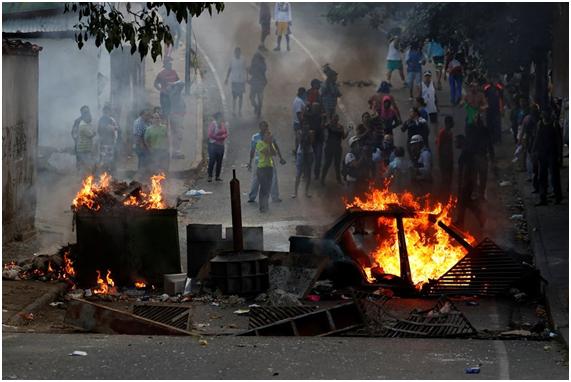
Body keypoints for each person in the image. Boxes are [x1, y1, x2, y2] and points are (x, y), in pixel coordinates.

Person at [247, 121, 286, 203]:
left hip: (268, 161)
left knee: (273, 178)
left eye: (266, 127)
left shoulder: (269, 136)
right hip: (260, 161)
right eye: (263, 126)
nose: (265, 128)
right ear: (260, 127)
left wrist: (281, 157)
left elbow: (275, 146)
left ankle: (274, 197)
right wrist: (250, 162)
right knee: (256, 179)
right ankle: (252, 196)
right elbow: (252, 150)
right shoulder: (256, 137)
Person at [454, 134, 485, 228]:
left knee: (464, 202)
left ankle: (462, 221)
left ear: (461, 142)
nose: (455, 143)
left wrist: (463, 184)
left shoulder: (465, 154)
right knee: (465, 202)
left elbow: (466, 170)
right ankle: (462, 220)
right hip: (467, 182)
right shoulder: (466, 152)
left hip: (466, 183)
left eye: (456, 141)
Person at [532, 111, 563, 205]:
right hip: (543, 153)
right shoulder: (540, 124)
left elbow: (559, 141)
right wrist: (534, 150)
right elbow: (537, 138)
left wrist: (559, 155)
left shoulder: (554, 124)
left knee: (554, 176)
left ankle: (557, 197)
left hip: (552, 153)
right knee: (542, 176)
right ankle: (543, 198)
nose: (544, 115)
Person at [469, 113, 495, 200]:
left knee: (475, 176)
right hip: (481, 156)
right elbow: (490, 144)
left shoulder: (473, 129)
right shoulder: (484, 129)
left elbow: (470, 143)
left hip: (476, 156)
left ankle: (477, 193)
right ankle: (481, 194)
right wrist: (492, 156)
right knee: (482, 177)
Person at [321, 114, 348, 185]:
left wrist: (348, 131)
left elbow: (343, 137)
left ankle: (338, 179)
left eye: (336, 118)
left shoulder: (340, 127)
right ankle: (322, 179)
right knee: (327, 163)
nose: (335, 119)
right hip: (330, 147)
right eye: (334, 118)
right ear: (332, 119)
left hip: (337, 148)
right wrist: (323, 120)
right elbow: (323, 126)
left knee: (337, 164)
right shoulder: (329, 125)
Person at [256, 129, 277, 212]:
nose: (268, 137)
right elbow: (266, 152)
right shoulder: (259, 143)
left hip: (269, 167)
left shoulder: (270, 144)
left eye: (269, 135)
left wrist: (271, 143)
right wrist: (269, 144)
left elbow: (274, 153)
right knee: (263, 187)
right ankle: (262, 206)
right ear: (263, 136)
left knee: (268, 187)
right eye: (267, 135)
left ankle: (266, 205)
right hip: (261, 168)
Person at [292, 124, 315, 198]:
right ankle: (296, 192)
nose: (306, 129)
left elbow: (311, 142)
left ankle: (305, 192)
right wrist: (304, 135)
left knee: (308, 174)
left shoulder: (310, 133)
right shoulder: (299, 133)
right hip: (302, 153)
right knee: (299, 173)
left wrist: (309, 134)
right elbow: (299, 142)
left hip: (308, 153)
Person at [225, 47, 247, 117]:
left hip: (241, 81)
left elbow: (245, 69)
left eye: (238, 52)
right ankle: (234, 111)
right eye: (236, 52)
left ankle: (239, 111)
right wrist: (227, 78)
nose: (237, 53)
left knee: (240, 96)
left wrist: (246, 78)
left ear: (240, 53)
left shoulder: (243, 59)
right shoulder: (232, 60)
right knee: (234, 97)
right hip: (234, 81)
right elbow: (229, 69)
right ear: (235, 53)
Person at [97, 105, 119, 174]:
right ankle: (104, 173)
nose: (108, 112)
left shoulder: (110, 119)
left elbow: (115, 128)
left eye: (109, 110)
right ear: (104, 111)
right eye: (107, 111)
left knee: (110, 158)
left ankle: (108, 173)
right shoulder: (103, 119)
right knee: (105, 158)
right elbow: (110, 128)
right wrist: (115, 127)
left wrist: (114, 127)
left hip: (110, 142)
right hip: (105, 143)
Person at [207, 112, 228, 182]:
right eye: (221, 117)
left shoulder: (222, 124)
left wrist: (223, 137)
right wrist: (219, 138)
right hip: (213, 145)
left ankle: (217, 176)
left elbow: (226, 133)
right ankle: (210, 176)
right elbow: (210, 134)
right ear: (218, 117)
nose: (222, 118)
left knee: (219, 161)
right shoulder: (213, 124)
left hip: (221, 145)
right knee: (212, 160)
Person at [437, 115, 454, 197]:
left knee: (449, 178)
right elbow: (439, 147)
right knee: (445, 178)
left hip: (449, 158)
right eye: (452, 122)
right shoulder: (443, 133)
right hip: (444, 159)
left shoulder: (450, 132)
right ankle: (443, 194)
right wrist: (440, 160)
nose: (453, 124)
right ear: (448, 123)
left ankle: (447, 194)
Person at [168, 80, 186, 159]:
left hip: (177, 116)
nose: (179, 88)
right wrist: (173, 83)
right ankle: (176, 153)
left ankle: (175, 152)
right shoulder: (175, 94)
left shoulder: (174, 93)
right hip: (176, 117)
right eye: (176, 87)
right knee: (178, 135)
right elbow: (182, 83)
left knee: (175, 134)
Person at [483, 79, 505, 144]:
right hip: (489, 109)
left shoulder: (499, 88)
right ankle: (491, 139)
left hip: (497, 109)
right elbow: (484, 98)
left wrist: (502, 109)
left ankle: (498, 139)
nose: (495, 81)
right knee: (489, 124)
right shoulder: (487, 87)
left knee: (497, 125)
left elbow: (501, 99)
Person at [306, 102, 325, 180]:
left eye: (317, 108)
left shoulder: (321, 117)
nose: (315, 109)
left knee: (318, 158)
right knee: (309, 158)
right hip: (311, 140)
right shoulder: (309, 116)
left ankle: (316, 174)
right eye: (314, 108)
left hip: (318, 141)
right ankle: (307, 173)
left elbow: (323, 126)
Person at [75, 109, 96, 176]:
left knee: (87, 165)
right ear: (84, 117)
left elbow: (92, 131)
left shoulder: (86, 124)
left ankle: (85, 178)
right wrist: (93, 132)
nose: (90, 118)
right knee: (87, 165)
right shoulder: (83, 125)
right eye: (88, 116)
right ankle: (84, 179)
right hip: (83, 149)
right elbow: (91, 134)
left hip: (86, 148)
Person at [248, 49, 268, 118]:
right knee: (252, 97)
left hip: (259, 82)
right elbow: (251, 72)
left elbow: (252, 72)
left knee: (258, 97)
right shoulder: (257, 63)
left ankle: (258, 109)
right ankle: (257, 107)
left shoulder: (261, 64)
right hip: (256, 82)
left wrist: (250, 70)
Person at [133, 109, 152, 174]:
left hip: (144, 145)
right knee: (142, 161)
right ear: (141, 115)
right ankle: (140, 176)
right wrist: (142, 146)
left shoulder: (144, 121)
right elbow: (138, 136)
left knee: (145, 160)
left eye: (148, 115)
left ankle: (143, 175)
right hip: (140, 145)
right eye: (146, 115)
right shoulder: (139, 123)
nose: (147, 116)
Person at [72, 106, 91, 171]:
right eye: (85, 112)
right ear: (81, 113)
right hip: (80, 147)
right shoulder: (78, 121)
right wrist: (78, 140)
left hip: (89, 146)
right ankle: (80, 178)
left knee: (89, 163)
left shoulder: (90, 120)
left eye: (87, 111)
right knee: (80, 163)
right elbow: (74, 133)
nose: (87, 113)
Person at [292, 87, 306, 153]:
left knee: (297, 138)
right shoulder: (299, 101)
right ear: (302, 93)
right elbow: (298, 113)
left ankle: (296, 150)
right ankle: (298, 152)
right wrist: (302, 123)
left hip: (297, 122)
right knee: (299, 138)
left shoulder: (297, 99)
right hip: (298, 123)